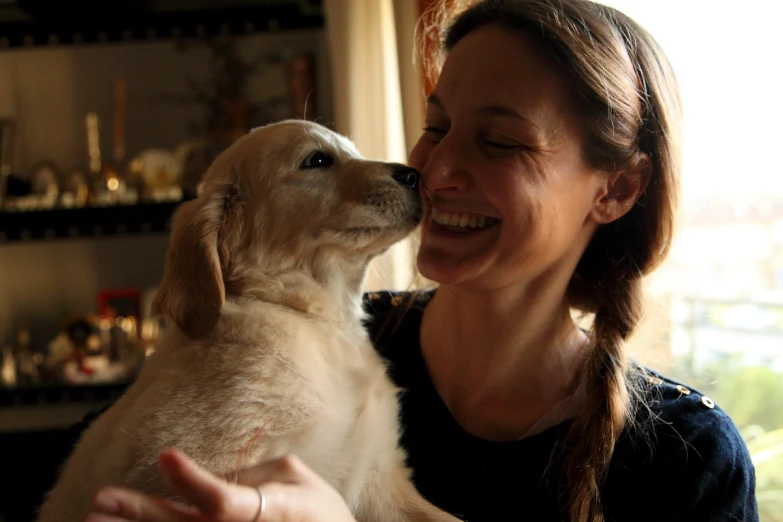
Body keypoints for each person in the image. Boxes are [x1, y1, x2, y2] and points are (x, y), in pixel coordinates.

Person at [71, 0, 758, 521]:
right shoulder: (293, 343)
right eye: (435, 127)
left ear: (615, 189)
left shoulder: (685, 460)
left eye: (498, 142)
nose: (433, 167)